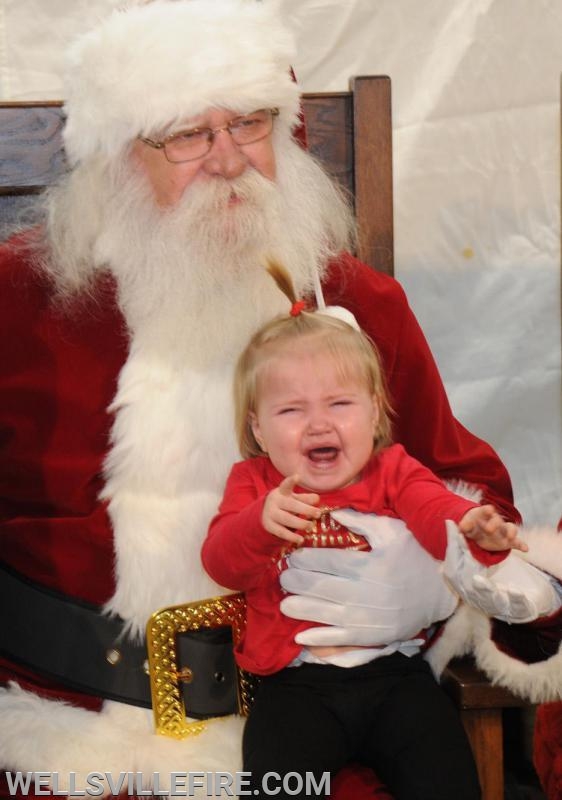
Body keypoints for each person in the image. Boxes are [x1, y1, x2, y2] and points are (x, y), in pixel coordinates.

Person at [1, 1, 561, 797]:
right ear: (121, 157)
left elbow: (477, 498)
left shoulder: (355, 300)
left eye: (251, 124)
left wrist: (429, 578)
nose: (229, 161)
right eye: (189, 134)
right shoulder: (21, 301)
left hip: (335, 720)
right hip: (60, 730)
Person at [202, 265, 545, 798]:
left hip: (395, 674)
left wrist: (467, 524)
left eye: (340, 404)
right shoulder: (254, 484)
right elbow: (222, 562)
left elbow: (432, 509)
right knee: (274, 781)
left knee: (447, 774)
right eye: (291, 410)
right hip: (294, 684)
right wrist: (258, 525)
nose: (319, 424)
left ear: (376, 414)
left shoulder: (393, 469)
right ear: (257, 429)